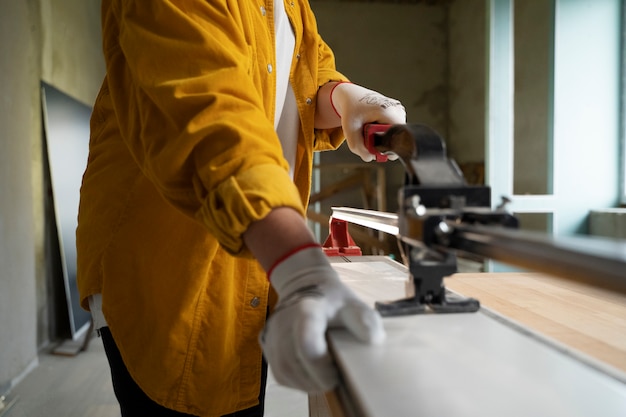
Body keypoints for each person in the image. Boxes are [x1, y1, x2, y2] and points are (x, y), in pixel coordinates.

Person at [76, 1, 406, 416]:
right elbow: (210, 120)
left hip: (250, 252)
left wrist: (343, 96)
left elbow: (299, 70)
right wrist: (300, 270)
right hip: (169, 258)